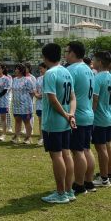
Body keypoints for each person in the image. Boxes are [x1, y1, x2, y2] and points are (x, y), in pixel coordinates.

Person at [40, 43, 76, 204]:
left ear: (45, 57)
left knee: (57, 156)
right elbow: (73, 97)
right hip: (65, 121)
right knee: (66, 154)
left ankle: (61, 193)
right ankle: (69, 190)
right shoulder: (66, 72)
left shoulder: (50, 73)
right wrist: (70, 115)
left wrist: (66, 114)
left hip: (53, 122)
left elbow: (52, 99)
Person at [65, 41, 96, 194]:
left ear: (72, 53)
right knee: (86, 149)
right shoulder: (89, 69)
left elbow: (65, 94)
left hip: (77, 115)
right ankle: (88, 181)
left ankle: (79, 184)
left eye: (67, 52)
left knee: (78, 151)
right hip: (88, 114)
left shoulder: (71, 69)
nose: (65, 55)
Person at [90, 51, 111, 187]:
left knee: (101, 149)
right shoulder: (110, 76)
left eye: (94, 60)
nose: (92, 62)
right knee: (108, 146)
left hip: (100, 117)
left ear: (99, 62)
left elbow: (95, 99)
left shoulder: (98, 78)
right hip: (109, 115)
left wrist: (91, 115)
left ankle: (104, 178)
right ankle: (110, 175)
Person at [10, 64, 36, 144]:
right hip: (16, 104)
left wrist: (26, 101)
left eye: (17, 69)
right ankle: (16, 137)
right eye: (15, 68)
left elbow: (32, 92)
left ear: (21, 70)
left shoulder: (27, 80)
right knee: (17, 120)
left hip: (25, 105)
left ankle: (28, 138)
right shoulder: (14, 79)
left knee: (26, 121)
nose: (15, 70)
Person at [33, 63, 47, 145]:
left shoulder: (49, 77)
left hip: (47, 103)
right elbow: (35, 88)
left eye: (41, 68)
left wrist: (41, 95)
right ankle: (41, 137)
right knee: (40, 121)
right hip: (39, 103)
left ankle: (47, 137)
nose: (40, 70)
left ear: (46, 68)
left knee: (47, 121)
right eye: (39, 68)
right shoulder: (38, 78)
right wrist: (36, 94)